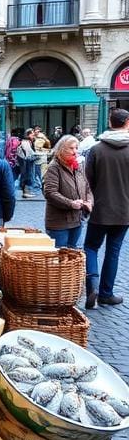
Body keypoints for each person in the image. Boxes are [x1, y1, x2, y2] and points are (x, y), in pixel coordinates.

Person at [84, 107, 129, 308]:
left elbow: (88, 180)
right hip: (124, 210)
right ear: (127, 123)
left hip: (100, 208)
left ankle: (91, 286)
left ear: (110, 122)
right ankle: (106, 293)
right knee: (113, 250)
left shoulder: (96, 149)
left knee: (91, 247)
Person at [43, 135, 92, 249]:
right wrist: (70, 203)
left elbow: (87, 187)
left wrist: (89, 201)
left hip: (78, 220)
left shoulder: (78, 166)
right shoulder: (54, 167)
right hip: (59, 223)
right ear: (62, 149)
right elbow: (50, 192)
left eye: (76, 148)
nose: (75, 151)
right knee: (60, 258)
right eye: (71, 148)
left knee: (74, 255)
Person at [16, 130, 37, 198]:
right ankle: (26, 192)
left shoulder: (28, 141)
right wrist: (36, 155)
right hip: (25, 161)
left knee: (27, 175)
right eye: (32, 134)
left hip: (25, 160)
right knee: (26, 175)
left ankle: (27, 191)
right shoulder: (25, 142)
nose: (34, 136)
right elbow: (29, 152)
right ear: (28, 135)